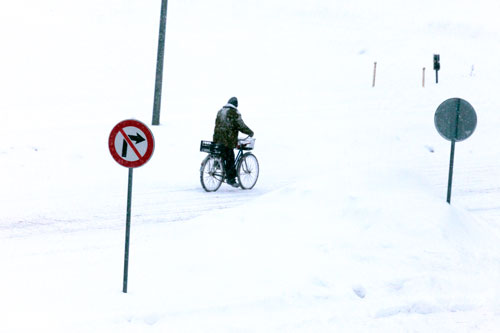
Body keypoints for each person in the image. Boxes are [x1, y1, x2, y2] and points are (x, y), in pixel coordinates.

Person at [213, 97, 254, 187]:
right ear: (236, 105)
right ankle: (231, 179)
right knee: (230, 158)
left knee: (222, 152)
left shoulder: (220, 111)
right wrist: (250, 132)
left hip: (217, 138)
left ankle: (217, 164)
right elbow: (241, 125)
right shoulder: (234, 113)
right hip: (228, 139)